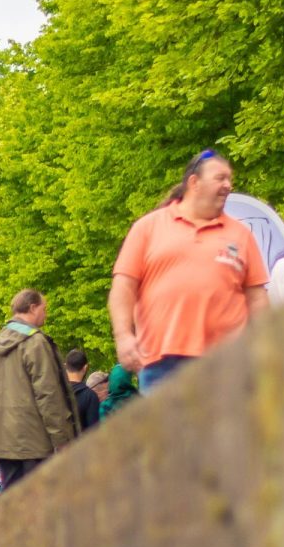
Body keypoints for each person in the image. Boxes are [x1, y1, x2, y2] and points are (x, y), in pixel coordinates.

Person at [111, 149, 269, 393]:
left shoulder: (241, 235)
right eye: (220, 178)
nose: (228, 185)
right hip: (162, 364)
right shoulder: (148, 227)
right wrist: (123, 336)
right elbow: (123, 287)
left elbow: (257, 298)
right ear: (194, 183)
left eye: (230, 179)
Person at [0, 289, 79, 488]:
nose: (46, 313)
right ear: (33, 307)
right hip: (33, 439)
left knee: (13, 504)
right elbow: (48, 394)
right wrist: (61, 439)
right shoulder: (35, 342)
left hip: (3, 439)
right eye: (44, 308)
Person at [63, 349, 101, 431]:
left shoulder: (57, 392)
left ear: (65, 366)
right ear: (85, 367)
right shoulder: (90, 396)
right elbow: (94, 431)